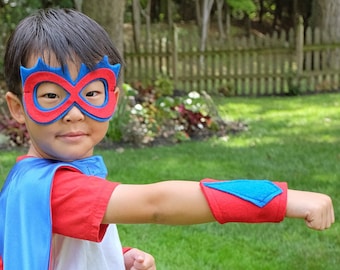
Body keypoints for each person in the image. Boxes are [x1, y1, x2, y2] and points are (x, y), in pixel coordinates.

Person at [0, 8, 334, 270]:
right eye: (50, 96)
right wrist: (279, 199)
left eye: (90, 92)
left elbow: (35, 246)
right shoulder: (54, 187)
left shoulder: (33, 179)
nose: (74, 112)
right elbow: (157, 204)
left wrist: (119, 256)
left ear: (111, 98)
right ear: (17, 107)